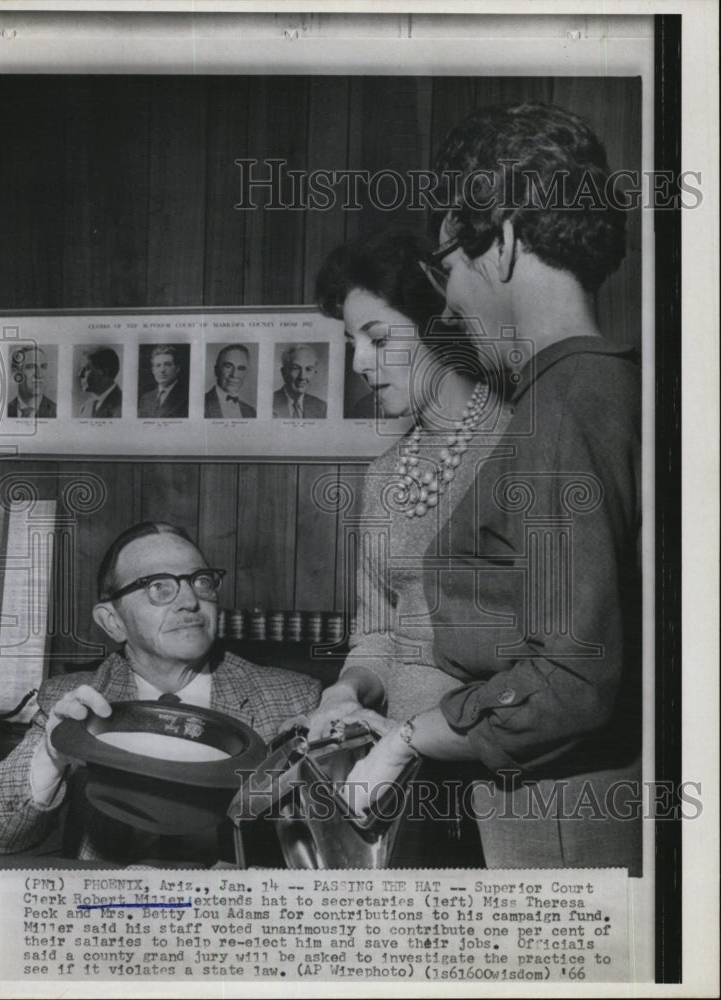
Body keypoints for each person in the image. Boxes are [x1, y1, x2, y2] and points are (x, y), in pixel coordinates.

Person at [326, 103, 642, 873]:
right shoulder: (620, 385)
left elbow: (570, 678)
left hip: (558, 811)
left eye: (450, 266)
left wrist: (407, 736)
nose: (453, 300)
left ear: (498, 243)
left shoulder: (555, 408)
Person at [311, 227, 511, 864]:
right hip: (398, 779)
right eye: (352, 345)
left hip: (502, 775)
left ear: (438, 326)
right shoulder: (382, 475)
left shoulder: (520, 447)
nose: (360, 365)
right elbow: (379, 633)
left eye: (377, 338)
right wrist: (347, 689)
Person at [0, 521, 321, 862]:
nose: (190, 601)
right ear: (113, 622)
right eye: (159, 586)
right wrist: (52, 756)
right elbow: (1, 838)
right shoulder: (71, 702)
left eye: (201, 581)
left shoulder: (296, 701)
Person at [272, 344, 327, 419]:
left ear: (314, 372)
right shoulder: (269, 403)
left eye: (308, 369)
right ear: (284, 372)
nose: (302, 376)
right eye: (296, 368)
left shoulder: (322, 407)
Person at [205, 343, 257, 418]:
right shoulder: (199, 405)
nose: (234, 375)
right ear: (216, 370)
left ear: (246, 373)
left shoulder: (251, 412)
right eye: (228, 366)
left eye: (241, 368)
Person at [138, 344, 188, 418]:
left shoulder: (186, 396)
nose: (162, 370)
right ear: (153, 371)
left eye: (167, 364)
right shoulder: (146, 398)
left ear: (177, 368)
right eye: (158, 365)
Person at [7, 345, 57, 418]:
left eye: (43, 367)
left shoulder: (55, 411)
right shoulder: (5, 411)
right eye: (31, 367)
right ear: (15, 374)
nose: (39, 375)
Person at [77, 347, 122, 418]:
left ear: (104, 372)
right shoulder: (85, 407)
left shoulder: (122, 407)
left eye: (87, 369)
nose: (80, 374)